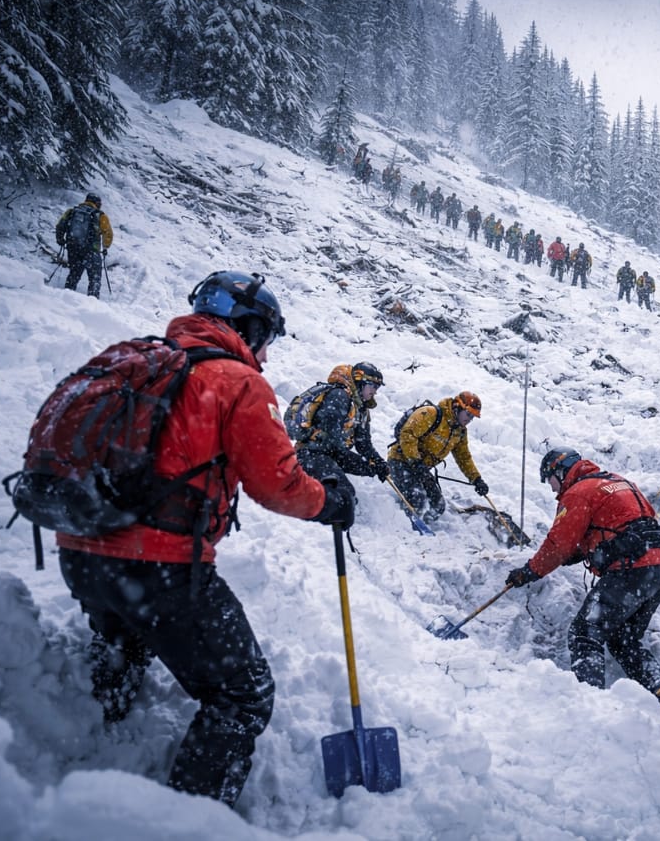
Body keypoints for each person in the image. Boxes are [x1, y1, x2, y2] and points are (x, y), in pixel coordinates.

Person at [56, 271, 354, 807]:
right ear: (252, 329)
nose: (265, 352)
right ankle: (189, 823)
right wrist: (329, 501)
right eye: (266, 338)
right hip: (162, 569)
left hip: (82, 551)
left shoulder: (141, 360)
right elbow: (279, 484)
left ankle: (88, 741)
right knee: (244, 696)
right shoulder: (235, 380)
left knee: (124, 639)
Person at [505, 448, 660, 702]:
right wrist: (581, 553)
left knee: (584, 632)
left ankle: (590, 701)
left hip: (630, 571)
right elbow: (623, 525)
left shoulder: (578, 493)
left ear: (560, 471)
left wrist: (530, 571)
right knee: (623, 639)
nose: (551, 489)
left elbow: (558, 544)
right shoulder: (618, 481)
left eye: (549, 479)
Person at [386, 391, 489, 523]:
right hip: (401, 461)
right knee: (418, 499)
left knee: (438, 505)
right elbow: (407, 434)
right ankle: (405, 525)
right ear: (457, 407)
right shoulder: (431, 414)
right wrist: (415, 461)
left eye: (472, 417)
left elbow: (464, 457)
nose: (469, 420)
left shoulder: (460, 431)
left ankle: (424, 524)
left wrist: (476, 479)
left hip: (421, 469)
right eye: (468, 414)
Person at [288, 361, 390, 491]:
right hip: (311, 453)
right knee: (342, 493)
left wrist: (378, 464)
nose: (375, 392)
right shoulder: (339, 396)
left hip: (329, 455)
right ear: (361, 382)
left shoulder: (360, 409)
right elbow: (332, 440)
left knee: (344, 493)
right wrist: (365, 466)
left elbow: (363, 443)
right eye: (373, 386)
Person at [55, 192, 114, 298]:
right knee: (94, 278)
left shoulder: (71, 212)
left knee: (74, 273)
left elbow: (60, 225)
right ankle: (92, 301)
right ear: (97, 203)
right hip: (91, 251)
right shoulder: (100, 216)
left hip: (73, 248)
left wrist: (60, 239)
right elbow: (108, 233)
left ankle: (66, 296)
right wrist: (105, 247)